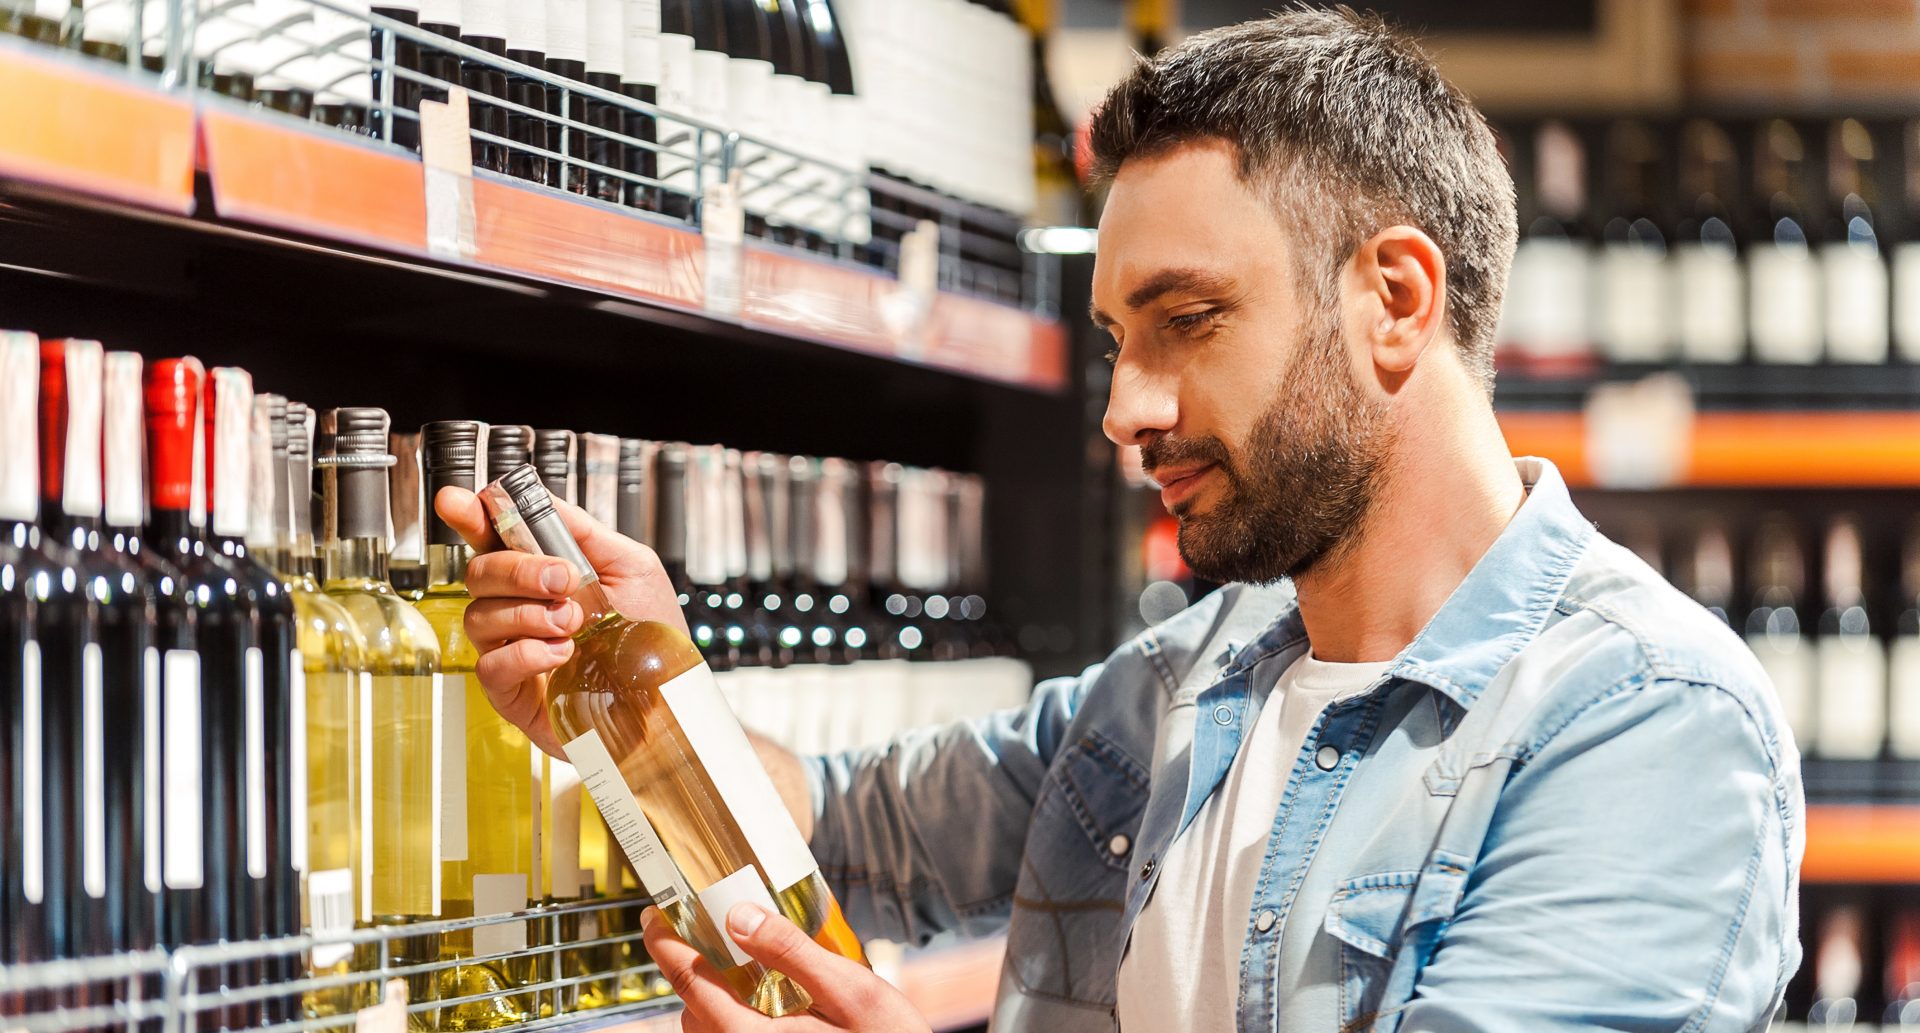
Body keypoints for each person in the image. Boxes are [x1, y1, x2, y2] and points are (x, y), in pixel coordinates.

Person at [435, 9, 1804, 1032]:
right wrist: (637, 685)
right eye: (1112, 341)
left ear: (1396, 298)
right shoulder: (1179, 684)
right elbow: (856, 828)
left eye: (1188, 322)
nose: (1126, 408)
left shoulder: (1645, 724)